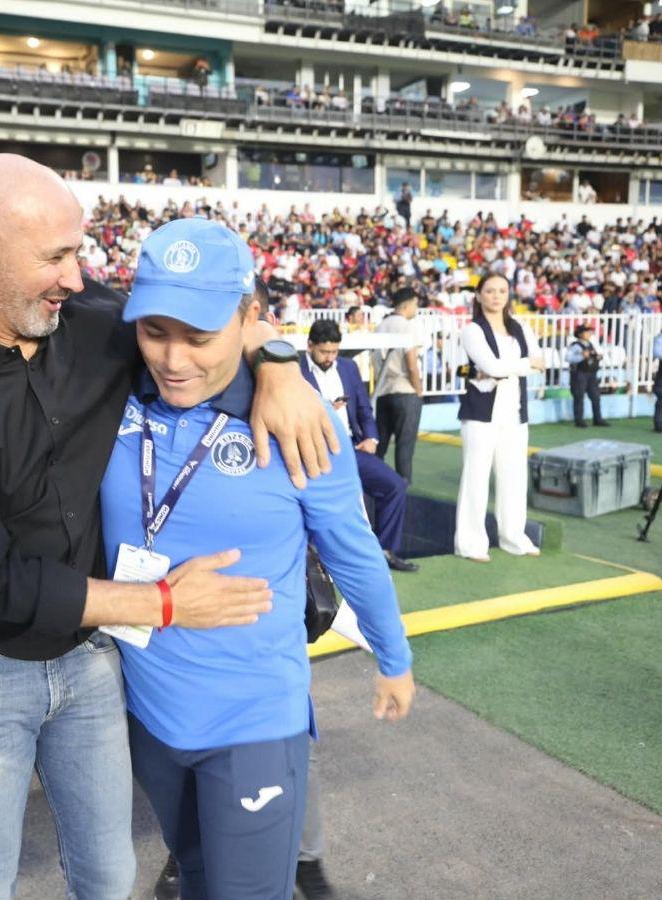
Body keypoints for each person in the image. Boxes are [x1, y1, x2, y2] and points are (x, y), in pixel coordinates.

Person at [0, 154, 339, 900]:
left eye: (77, 252)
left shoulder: (91, 323)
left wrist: (281, 364)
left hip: (92, 655)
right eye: (56, 256)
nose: (77, 277)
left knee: (110, 873)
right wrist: (161, 607)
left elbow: (217, 318)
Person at [101, 217, 413, 900]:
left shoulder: (298, 420)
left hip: (253, 723)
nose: (173, 359)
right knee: (195, 880)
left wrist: (394, 659)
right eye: (156, 332)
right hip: (148, 715)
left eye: (199, 336)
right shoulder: (111, 391)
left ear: (248, 319)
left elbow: (354, 551)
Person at [302, 318, 418, 573]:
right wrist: (323, 411)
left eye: (334, 351)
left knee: (395, 486)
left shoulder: (348, 367)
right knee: (315, 503)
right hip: (315, 449)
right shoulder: (296, 371)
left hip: (351, 447)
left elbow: (364, 407)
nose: (329, 357)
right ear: (310, 346)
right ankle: (311, 565)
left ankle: (385, 551)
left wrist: (372, 437)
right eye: (324, 351)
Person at [454, 274, 546, 562]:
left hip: (514, 412)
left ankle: (513, 537)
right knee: (476, 478)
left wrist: (508, 368)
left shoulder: (520, 327)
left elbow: (540, 362)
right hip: (481, 413)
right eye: (490, 291)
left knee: (514, 477)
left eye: (502, 291)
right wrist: (522, 365)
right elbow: (491, 366)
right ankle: (470, 543)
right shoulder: (472, 330)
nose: (496, 296)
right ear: (479, 295)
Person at [373, 287, 423, 484]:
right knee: (405, 447)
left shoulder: (380, 326)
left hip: (383, 391)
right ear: (407, 304)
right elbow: (411, 364)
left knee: (380, 445)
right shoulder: (407, 327)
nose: (416, 308)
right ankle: (403, 489)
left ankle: (373, 488)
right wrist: (418, 389)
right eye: (416, 303)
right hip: (404, 390)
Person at [566, 323, 609, 428]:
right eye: (587, 331)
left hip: (591, 373)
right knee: (579, 397)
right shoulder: (576, 346)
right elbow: (568, 358)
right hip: (579, 374)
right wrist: (581, 356)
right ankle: (579, 420)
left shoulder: (590, 344)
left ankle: (597, 418)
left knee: (595, 396)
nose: (590, 333)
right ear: (580, 334)